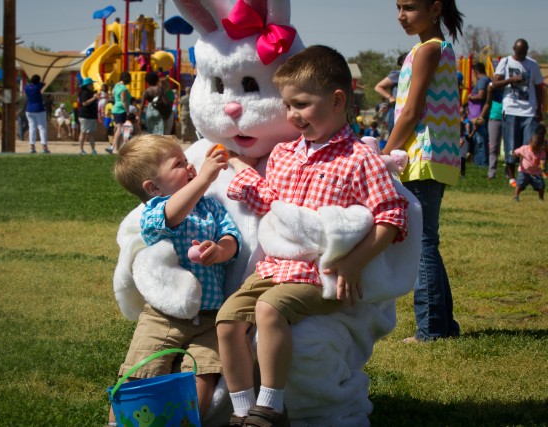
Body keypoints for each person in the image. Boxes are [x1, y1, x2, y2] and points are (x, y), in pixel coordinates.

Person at [218, 45, 408, 426]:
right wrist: (237, 165)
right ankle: (242, 412)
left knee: (270, 310)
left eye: (301, 104)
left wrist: (352, 263)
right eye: (288, 105)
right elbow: (271, 201)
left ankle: (270, 407)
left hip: (320, 274)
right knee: (227, 320)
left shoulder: (358, 158)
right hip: (274, 268)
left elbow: (392, 214)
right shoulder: (285, 153)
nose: (292, 115)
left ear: (337, 100)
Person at [111, 134, 241, 423]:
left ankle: (186, 421)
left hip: (209, 317)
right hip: (162, 317)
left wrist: (221, 250)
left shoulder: (210, 207)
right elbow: (173, 214)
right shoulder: (154, 211)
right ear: (153, 187)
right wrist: (204, 179)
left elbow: (230, 236)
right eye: (179, 163)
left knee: (204, 373)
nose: (190, 165)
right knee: (140, 371)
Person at [384, 0, 464, 342]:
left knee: (421, 244)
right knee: (428, 241)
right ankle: (445, 326)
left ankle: (430, 329)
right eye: (399, 7)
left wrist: (384, 153)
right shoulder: (432, 49)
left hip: (422, 158)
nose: (402, 15)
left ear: (435, 9)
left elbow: (411, 111)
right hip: (435, 157)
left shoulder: (428, 50)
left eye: (410, 7)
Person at [492, 39, 545, 187]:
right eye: (519, 52)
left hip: (529, 110)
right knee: (511, 144)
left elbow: (539, 87)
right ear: (514, 49)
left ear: (527, 50)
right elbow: (495, 84)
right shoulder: (506, 62)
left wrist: (540, 109)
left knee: (529, 145)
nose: (521, 55)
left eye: (524, 52)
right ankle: (511, 177)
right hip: (510, 109)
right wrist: (511, 79)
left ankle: (528, 175)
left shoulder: (532, 64)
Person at [374, 52, 408, 136]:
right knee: (395, 134)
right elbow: (378, 87)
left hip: (408, 108)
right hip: (396, 109)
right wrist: (390, 97)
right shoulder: (398, 74)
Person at [512, 124, 546, 201]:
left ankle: (541, 198)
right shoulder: (524, 149)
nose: (535, 150)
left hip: (536, 172)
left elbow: (543, 159)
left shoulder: (541, 152)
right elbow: (516, 152)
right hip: (524, 172)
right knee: (519, 184)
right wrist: (513, 154)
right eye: (533, 148)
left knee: (541, 186)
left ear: (541, 146)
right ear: (529, 143)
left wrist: (542, 166)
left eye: (537, 148)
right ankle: (516, 196)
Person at [467, 62, 491, 167]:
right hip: (482, 113)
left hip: (480, 114)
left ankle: (482, 163)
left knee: (481, 139)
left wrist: (471, 97)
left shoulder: (482, 81)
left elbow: (481, 96)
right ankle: (480, 161)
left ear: (476, 72)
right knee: (480, 139)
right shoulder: (487, 80)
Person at [482, 82, 505, 179]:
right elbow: (488, 103)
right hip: (494, 117)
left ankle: (509, 174)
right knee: (493, 147)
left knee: (509, 147)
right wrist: (481, 116)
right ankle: (491, 173)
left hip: (508, 117)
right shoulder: (492, 86)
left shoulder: (510, 84)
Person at [24, 74, 50, 154]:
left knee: (32, 128)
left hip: (29, 109)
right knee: (42, 128)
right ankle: (44, 146)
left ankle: (32, 146)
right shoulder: (37, 87)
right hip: (39, 109)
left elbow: (30, 84)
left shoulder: (26, 87)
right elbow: (44, 83)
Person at [111, 71, 132, 152]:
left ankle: (115, 147)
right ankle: (114, 148)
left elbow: (113, 93)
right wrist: (127, 111)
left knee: (118, 128)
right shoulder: (123, 88)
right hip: (121, 110)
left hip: (115, 108)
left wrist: (117, 99)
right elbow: (124, 101)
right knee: (119, 129)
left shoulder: (116, 85)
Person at [78, 77, 99, 155]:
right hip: (85, 116)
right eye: (91, 84)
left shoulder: (91, 92)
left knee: (90, 133)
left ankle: (93, 150)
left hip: (91, 116)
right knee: (83, 133)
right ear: (88, 85)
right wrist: (93, 98)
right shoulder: (84, 92)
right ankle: (81, 150)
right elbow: (84, 103)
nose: (93, 85)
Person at [460, 106, 474, 177]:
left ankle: (463, 175)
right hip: (457, 155)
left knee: (462, 165)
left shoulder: (464, 137)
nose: (461, 130)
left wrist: (474, 130)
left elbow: (469, 137)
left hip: (462, 155)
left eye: (462, 129)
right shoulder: (456, 137)